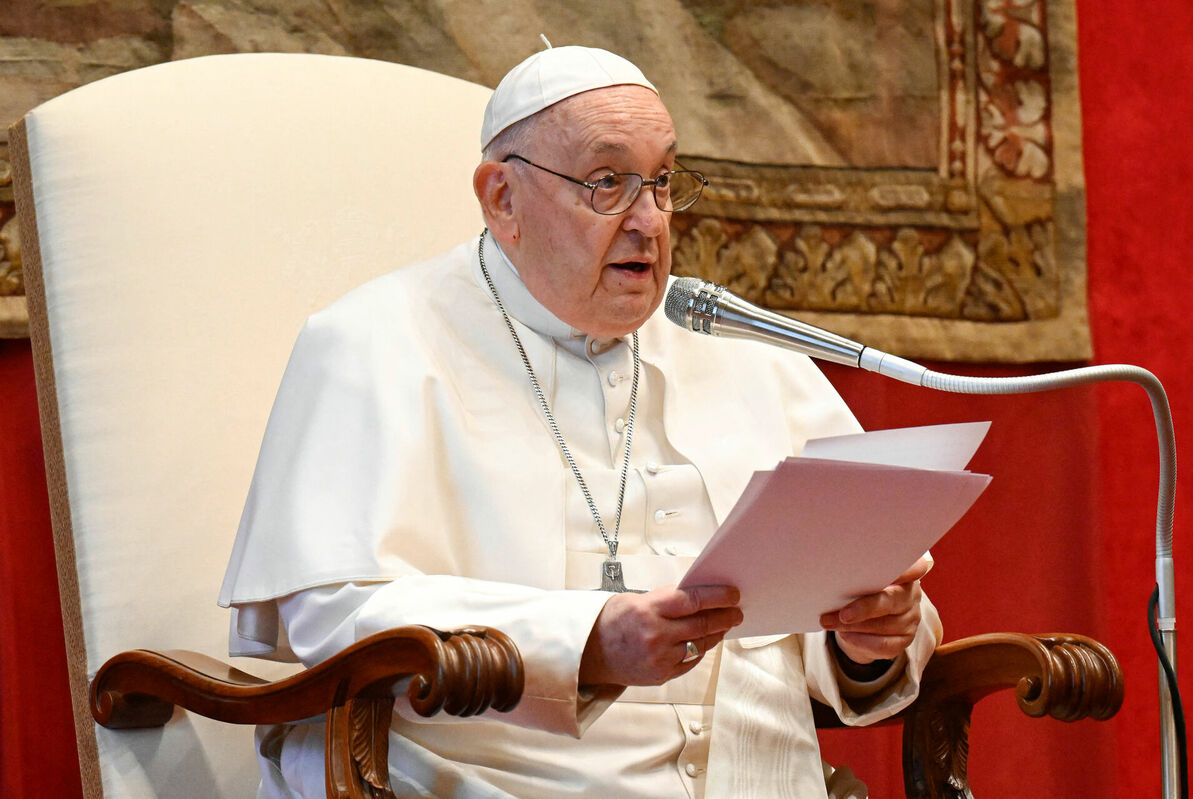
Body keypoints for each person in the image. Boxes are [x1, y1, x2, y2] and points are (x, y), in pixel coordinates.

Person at [219, 45, 941, 799]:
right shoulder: (372, 342)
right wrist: (591, 641)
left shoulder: (747, 353)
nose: (649, 221)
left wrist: (869, 641)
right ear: (502, 199)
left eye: (662, 182)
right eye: (607, 184)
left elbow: (871, 611)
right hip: (484, 782)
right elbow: (336, 612)